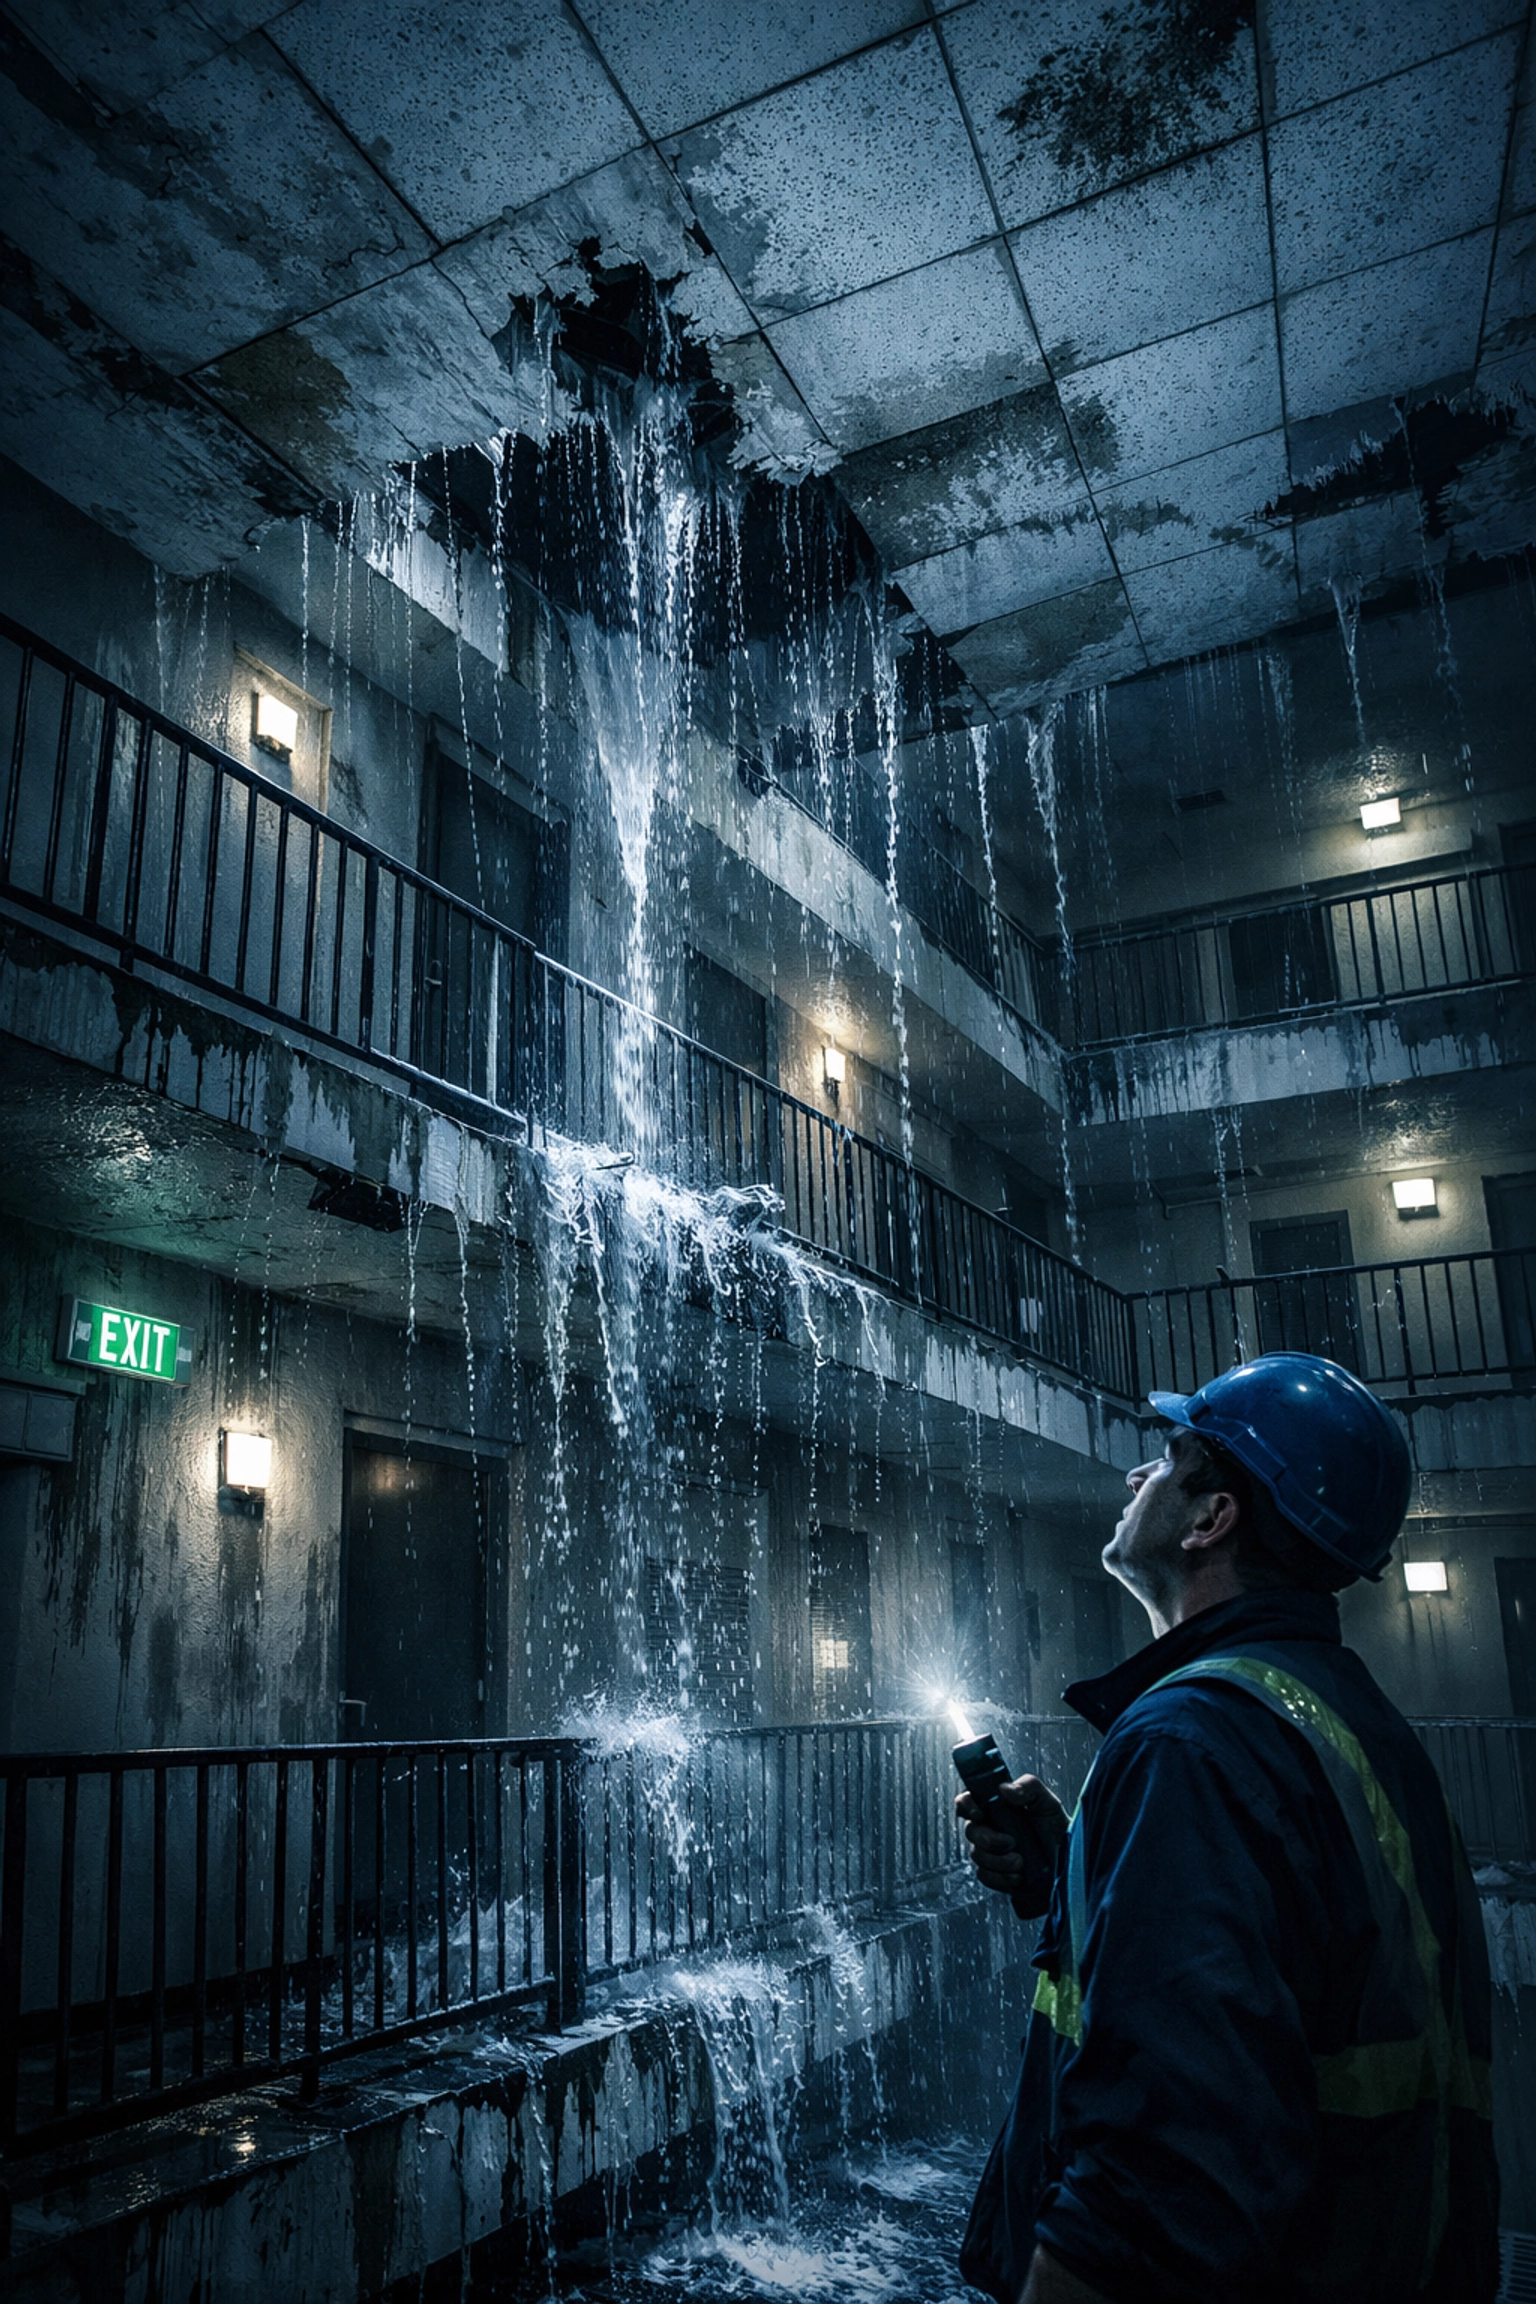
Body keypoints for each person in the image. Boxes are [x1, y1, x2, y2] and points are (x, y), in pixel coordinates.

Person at [957, 1352, 1499, 2304]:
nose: (1137, 1476)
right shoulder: (1343, 1717)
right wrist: (1076, 1875)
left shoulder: (1190, 1743)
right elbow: (1310, 1967)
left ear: (1212, 1519)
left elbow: (1160, 2180)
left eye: (1168, 1457)